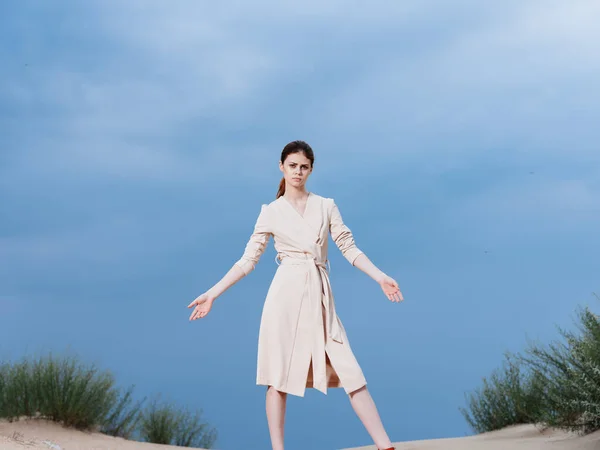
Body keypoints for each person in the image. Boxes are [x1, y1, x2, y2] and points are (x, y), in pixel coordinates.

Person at [188, 140, 404, 450]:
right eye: (292, 166)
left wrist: (380, 276)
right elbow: (248, 259)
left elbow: (348, 247)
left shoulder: (326, 205)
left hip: (320, 298)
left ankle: (386, 446)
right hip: (285, 297)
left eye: (303, 167)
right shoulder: (270, 212)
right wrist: (213, 293)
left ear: (311, 169)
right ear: (282, 167)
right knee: (277, 377)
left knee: (351, 371)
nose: (298, 172)